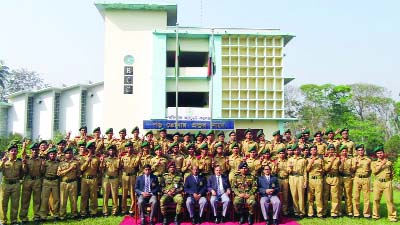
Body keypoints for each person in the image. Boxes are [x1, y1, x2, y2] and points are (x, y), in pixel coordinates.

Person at [371, 146, 397, 222]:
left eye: (381, 153)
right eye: (378, 153)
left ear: (383, 153)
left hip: (387, 182)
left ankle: (392, 216)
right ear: (376, 154)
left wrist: (389, 180)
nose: (380, 154)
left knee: (389, 200)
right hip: (378, 182)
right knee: (376, 199)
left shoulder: (389, 162)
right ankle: (375, 215)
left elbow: (392, 172)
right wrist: (382, 164)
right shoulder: (374, 163)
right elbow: (374, 172)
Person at [0, 144, 23, 225]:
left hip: (16, 184)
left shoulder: (20, 162)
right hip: (5, 184)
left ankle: (14, 220)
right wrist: (2, 161)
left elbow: (22, 173)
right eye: (12, 151)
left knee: (15, 203)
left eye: (15, 151)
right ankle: (3, 220)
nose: (13, 152)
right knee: (3, 203)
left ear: (17, 152)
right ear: (8, 152)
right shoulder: (4, 160)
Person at [20, 142, 42, 224]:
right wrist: (24, 165)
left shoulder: (41, 160)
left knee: (37, 200)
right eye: (33, 150)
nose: (35, 151)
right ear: (31, 150)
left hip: (37, 180)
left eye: (36, 150)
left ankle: (36, 216)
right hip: (28, 180)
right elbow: (24, 171)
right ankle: (23, 217)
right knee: (25, 199)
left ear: (38, 151)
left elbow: (42, 171)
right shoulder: (27, 159)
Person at [57, 147, 80, 220]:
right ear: (64, 154)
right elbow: (59, 174)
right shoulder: (61, 163)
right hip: (63, 183)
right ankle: (62, 215)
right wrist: (70, 169)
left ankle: (74, 214)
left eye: (70, 153)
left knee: (73, 199)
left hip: (73, 182)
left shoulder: (76, 162)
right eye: (67, 153)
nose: (69, 154)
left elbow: (79, 173)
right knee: (63, 200)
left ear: (72, 154)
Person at [80, 141, 101, 218]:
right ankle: (83, 212)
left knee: (93, 196)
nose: (91, 149)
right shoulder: (83, 158)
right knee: (84, 196)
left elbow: (99, 170)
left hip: (94, 179)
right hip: (85, 179)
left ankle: (93, 212)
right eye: (90, 148)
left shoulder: (97, 158)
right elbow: (81, 168)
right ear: (87, 149)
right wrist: (87, 161)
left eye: (93, 148)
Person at [39, 147, 60, 222]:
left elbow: (59, 172)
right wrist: (42, 165)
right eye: (51, 154)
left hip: (55, 181)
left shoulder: (58, 163)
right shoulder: (45, 162)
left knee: (56, 199)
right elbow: (42, 172)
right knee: (44, 198)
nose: (52, 155)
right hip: (46, 181)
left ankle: (56, 215)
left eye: (54, 154)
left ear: (56, 155)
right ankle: (43, 216)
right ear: (48, 155)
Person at [121, 141, 142, 216]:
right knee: (124, 193)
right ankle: (124, 209)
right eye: (128, 148)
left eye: (131, 147)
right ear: (126, 148)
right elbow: (120, 166)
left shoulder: (136, 157)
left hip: (133, 176)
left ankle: (131, 210)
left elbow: (135, 165)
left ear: (132, 148)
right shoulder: (123, 157)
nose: (129, 149)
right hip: (124, 176)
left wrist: (139, 157)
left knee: (133, 193)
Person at [287, 144, 307, 218]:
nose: (296, 151)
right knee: (294, 195)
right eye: (295, 150)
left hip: (300, 178)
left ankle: (302, 212)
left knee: (301, 195)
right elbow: (288, 171)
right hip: (292, 178)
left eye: (297, 150)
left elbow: (305, 171)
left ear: (300, 150)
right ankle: (296, 211)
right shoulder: (290, 159)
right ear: (293, 151)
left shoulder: (303, 160)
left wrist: (305, 182)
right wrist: (291, 168)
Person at [352, 144, 371, 218]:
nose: (360, 152)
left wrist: (367, 176)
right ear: (356, 151)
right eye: (359, 150)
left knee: (366, 197)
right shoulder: (354, 159)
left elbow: (370, 171)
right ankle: (356, 213)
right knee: (356, 197)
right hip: (357, 179)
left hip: (365, 179)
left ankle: (366, 214)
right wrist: (355, 165)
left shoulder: (368, 160)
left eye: (361, 150)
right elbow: (352, 171)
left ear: (364, 151)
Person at [100, 144, 120, 216]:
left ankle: (114, 211)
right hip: (106, 179)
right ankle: (105, 211)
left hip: (114, 179)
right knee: (105, 195)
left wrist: (120, 159)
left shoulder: (117, 159)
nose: (111, 151)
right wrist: (102, 161)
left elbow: (119, 168)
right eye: (110, 150)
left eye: (113, 150)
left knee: (115, 196)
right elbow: (101, 169)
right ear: (108, 151)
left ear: (115, 151)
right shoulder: (105, 159)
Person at [306, 145, 324, 218]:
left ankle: (319, 213)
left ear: (316, 151)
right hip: (310, 179)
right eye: (312, 150)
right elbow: (306, 170)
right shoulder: (307, 159)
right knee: (310, 197)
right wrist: (311, 162)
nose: (313, 151)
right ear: (310, 151)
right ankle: (310, 213)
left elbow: (323, 170)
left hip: (318, 179)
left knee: (319, 197)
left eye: (314, 150)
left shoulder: (320, 159)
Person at [323, 144, 340, 218]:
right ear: (327, 151)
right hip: (327, 177)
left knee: (334, 196)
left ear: (334, 150)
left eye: (332, 150)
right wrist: (332, 161)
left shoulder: (338, 159)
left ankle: (334, 212)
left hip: (335, 178)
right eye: (329, 150)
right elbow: (326, 169)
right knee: (325, 195)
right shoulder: (324, 159)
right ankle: (324, 211)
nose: (331, 151)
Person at [338, 145, 354, 217]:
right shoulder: (338, 159)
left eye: (345, 151)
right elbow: (338, 170)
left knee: (348, 195)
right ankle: (339, 210)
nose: (344, 152)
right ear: (340, 152)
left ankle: (349, 211)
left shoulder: (350, 159)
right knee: (339, 195)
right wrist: (341, 162)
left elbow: (353, 169)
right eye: (343, 151)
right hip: (340, 177)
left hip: (348, 178)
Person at [275, 148, 289, 216]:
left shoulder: (287, 161)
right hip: (278, 179)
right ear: (278, 154)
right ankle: (278, 210)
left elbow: (289, 171)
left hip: (285, 179)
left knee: (285, 196)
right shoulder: (276, 161)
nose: (281, 154)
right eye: (280, 153)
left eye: (283, 153)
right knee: (278, 195)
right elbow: (274, 172)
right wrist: (276, 166)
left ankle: (285, 211)